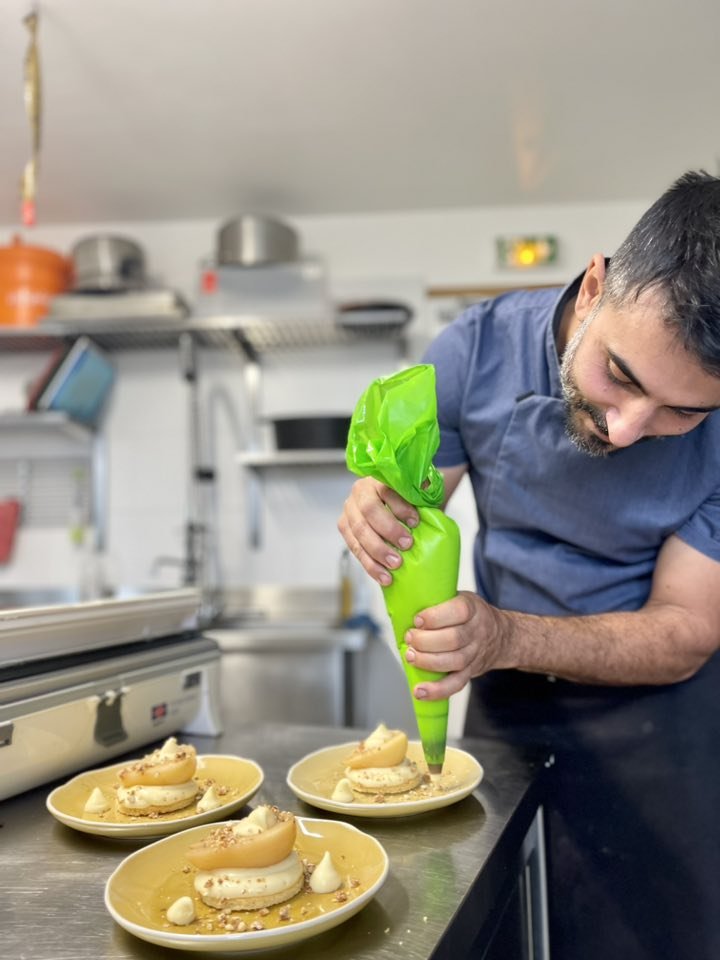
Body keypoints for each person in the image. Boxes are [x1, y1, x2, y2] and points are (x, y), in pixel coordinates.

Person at [338, 170, 720, 960]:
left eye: (683, 412)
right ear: (593, 288)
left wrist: (505, 635)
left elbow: (686, 628)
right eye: (620, 375)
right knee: (490, 926)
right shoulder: (473, 352)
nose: (625, 430)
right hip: (505, 714)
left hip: (662, 727)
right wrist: (376, 510)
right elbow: (411, 508)